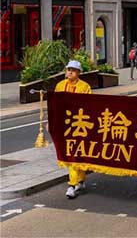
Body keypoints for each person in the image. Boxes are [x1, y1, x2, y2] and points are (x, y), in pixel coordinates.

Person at [54, 60, 92, 199]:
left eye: (73, 70)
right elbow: (55, 105)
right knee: (70, 153)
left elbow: (89, 105)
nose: (70, 72)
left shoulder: (85, 87)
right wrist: (50, 121)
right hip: (64, 125)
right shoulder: (60, 85)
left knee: (76, 153)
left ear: (79, 73)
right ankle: (79, 181)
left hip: (79, 125)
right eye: (68, 69)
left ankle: (72, 184)